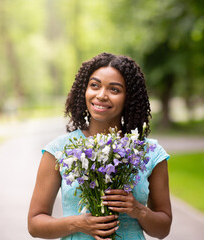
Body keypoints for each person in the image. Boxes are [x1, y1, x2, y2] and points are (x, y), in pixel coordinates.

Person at [28, 52, 172, 240]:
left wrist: (138, 210)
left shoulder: (149, 153)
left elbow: (163, 229)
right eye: (94, 85)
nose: (101, 95)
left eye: (114, 89)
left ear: (128, 98)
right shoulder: (59, 150)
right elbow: (34, 224)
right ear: (84, 90)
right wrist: (78, 223)